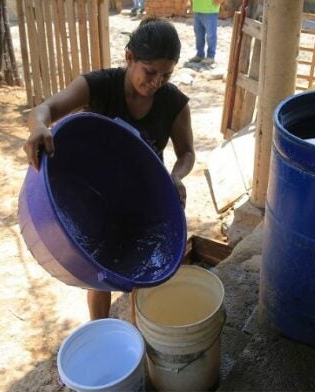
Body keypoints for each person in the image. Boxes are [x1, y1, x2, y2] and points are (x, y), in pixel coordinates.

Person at [23, 17, 195, 321]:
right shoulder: (99, 85)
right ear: (130, 57)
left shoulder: (174, 103)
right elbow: (44, 110)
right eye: (150, 72)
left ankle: (137, 333)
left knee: (141, 272)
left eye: (166, 75)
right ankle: (100, 329)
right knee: (99, 271)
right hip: (97, 193)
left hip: (145, 197)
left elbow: (187, 153)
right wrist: (38, 127)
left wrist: (176, 177)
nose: (156, 83)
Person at [189, 0, 224, 65]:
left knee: (211, 35)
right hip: (197, 10)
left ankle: (210, 57)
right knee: (198, 35)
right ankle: (200, 54)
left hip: (210, 10)